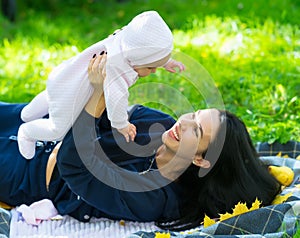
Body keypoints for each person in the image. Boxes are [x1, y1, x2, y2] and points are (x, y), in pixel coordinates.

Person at [0, 54, 279, 231]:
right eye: (193, 114)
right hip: (48, 127)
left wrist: (97, 96)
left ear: (200, 159)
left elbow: (73, 164)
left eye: (196, 130)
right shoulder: (162, 125)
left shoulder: (155, 198)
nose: (183, 123)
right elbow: (110, 112)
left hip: (29, 174)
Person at [17, 10, 185, 159]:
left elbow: (147, 51)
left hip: (64, 78)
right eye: (151, 67)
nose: (154, 71)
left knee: (51, 96)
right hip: (70, 96)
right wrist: (122, 124)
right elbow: (116, 98)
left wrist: (165, 62)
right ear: (137, 59)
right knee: (58, 130)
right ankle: (27, 132)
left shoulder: (126, 41)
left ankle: (28, 113)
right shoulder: (117, 68)